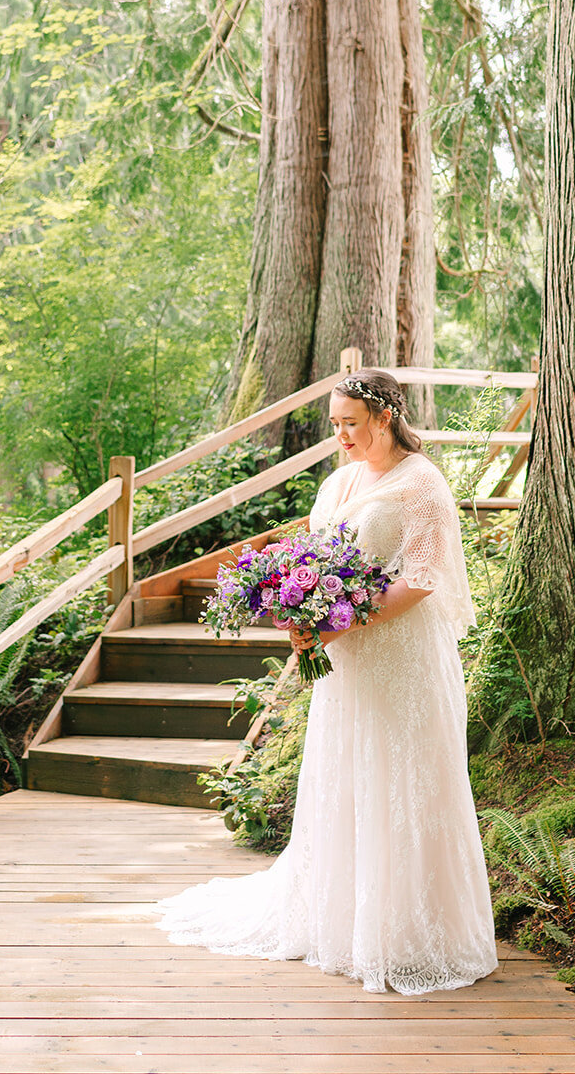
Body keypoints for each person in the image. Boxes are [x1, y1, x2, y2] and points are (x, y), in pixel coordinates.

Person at [157, 368, 498, 995]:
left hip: (401, 656)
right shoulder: (340, 480)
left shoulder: (422, 485)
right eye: (334, 424)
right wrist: (305, 614)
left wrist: (339, 623)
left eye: (350, 424)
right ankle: (343, 920)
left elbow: (421, 581)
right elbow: (317, 560)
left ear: (384, 418)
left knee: (405, 777)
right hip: (348, 662)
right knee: (350, 773)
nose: (340, 435)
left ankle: (412, 932)